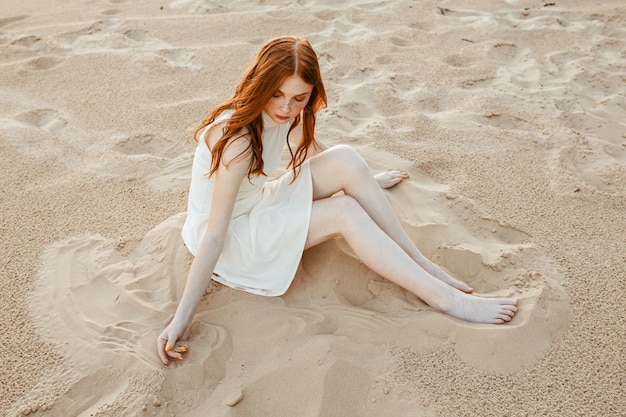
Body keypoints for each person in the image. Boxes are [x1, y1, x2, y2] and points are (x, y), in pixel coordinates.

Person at [157, 36, 517, 366]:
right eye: (278, 94)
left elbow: (317, 154)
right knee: (345, 211)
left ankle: (419, 260)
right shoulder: (237, 141)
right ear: (261, 84)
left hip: (258, 206)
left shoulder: (285, 112)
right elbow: (216, 235)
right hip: (235, 238)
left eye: (299, 98)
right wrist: (181, 319)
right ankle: (446, 299)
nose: (286, 107)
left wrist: (363, 182)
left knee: (346, 158)